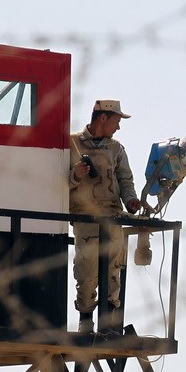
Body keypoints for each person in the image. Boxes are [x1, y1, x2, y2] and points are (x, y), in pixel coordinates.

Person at [69, 99, 142, 333]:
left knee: (113, 269)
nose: (118, 127)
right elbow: (55, 181)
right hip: (85, 217)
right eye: (116, 121)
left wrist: (130, 200)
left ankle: (110, 325)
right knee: (87, 269)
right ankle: (86, 322)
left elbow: (125, 180)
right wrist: (75, 175)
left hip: (112, 216)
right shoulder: (72, 144)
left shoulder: (116, 149)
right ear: (103, 118)